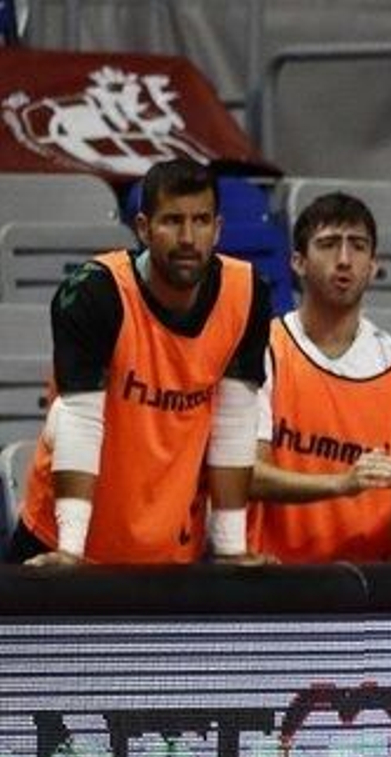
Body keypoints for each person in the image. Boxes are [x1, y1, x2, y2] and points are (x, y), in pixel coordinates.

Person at [4, 158, 269, 566]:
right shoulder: (94, 291)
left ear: (217, 229)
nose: (187, 237)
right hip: (59, 544)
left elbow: (234, 424)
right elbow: (80, 419)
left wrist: (231, 549)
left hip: (170, 551)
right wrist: (70, 550)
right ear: (143, 228)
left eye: (200, 221)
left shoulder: (247, 293)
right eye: (172, 221)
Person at [247, 192, 391, 562]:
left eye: (358, 246)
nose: (344, 260)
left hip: (371, 588)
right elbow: (247, 475)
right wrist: (342, 483)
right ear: (298, 262)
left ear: (372, 265)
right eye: (328, 244)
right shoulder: (265, 349)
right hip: (277, 582)